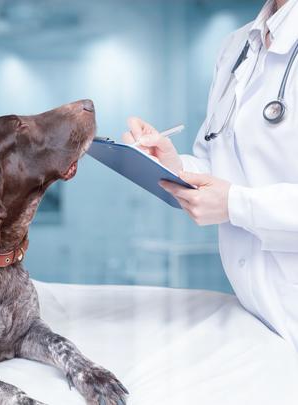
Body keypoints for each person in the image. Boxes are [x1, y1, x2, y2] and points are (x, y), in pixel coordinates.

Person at [123, 0, 298, 351]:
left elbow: (233, 196)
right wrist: (173, 167)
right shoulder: (236, 47)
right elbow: (217, 162)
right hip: (257, 314)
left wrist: (236, 204)